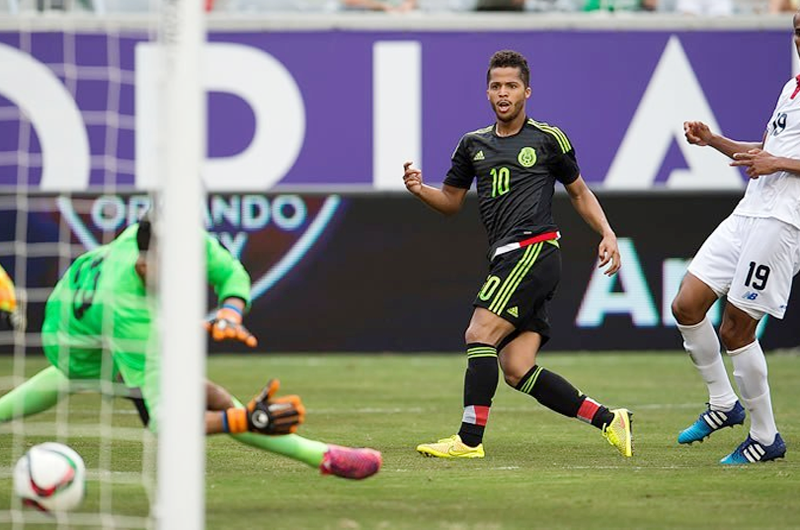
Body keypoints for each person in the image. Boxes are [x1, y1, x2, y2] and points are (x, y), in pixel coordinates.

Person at [0, 221, 381, 479]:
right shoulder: (131, 316)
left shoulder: (176, 237)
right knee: (211, 400)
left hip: (80, 318)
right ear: (144, 268)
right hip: (83, 348)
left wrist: (230, 311)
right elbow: (166, 425)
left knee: (210, 397)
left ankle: (320, 454)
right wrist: (242, 421)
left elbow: (230, 272)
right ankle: (324, 457)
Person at [404, 50, 633, 459]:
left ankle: (468, 441)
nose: (503, 93)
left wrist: (608, 232)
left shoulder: (549, 139)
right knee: (516, 367)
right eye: (496, 86)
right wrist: (421, 191)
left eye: (511, 85)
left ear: (526, 90)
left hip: (532, 250)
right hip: (508, 258)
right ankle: (608, 419)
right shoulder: (471, 144)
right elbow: (452, 202)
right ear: (487, 93)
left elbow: (579, 192)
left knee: (478, 334)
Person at [670, 11, 800, 466]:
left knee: (736, 328)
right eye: (798, 32)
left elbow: (776, 161)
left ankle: (766, 438)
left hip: (784, 221)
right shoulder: (791, 89)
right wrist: (714, 140)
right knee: (686, 303)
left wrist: (778, 165)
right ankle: (724, 404)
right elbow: (765, 152)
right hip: (750, 210)